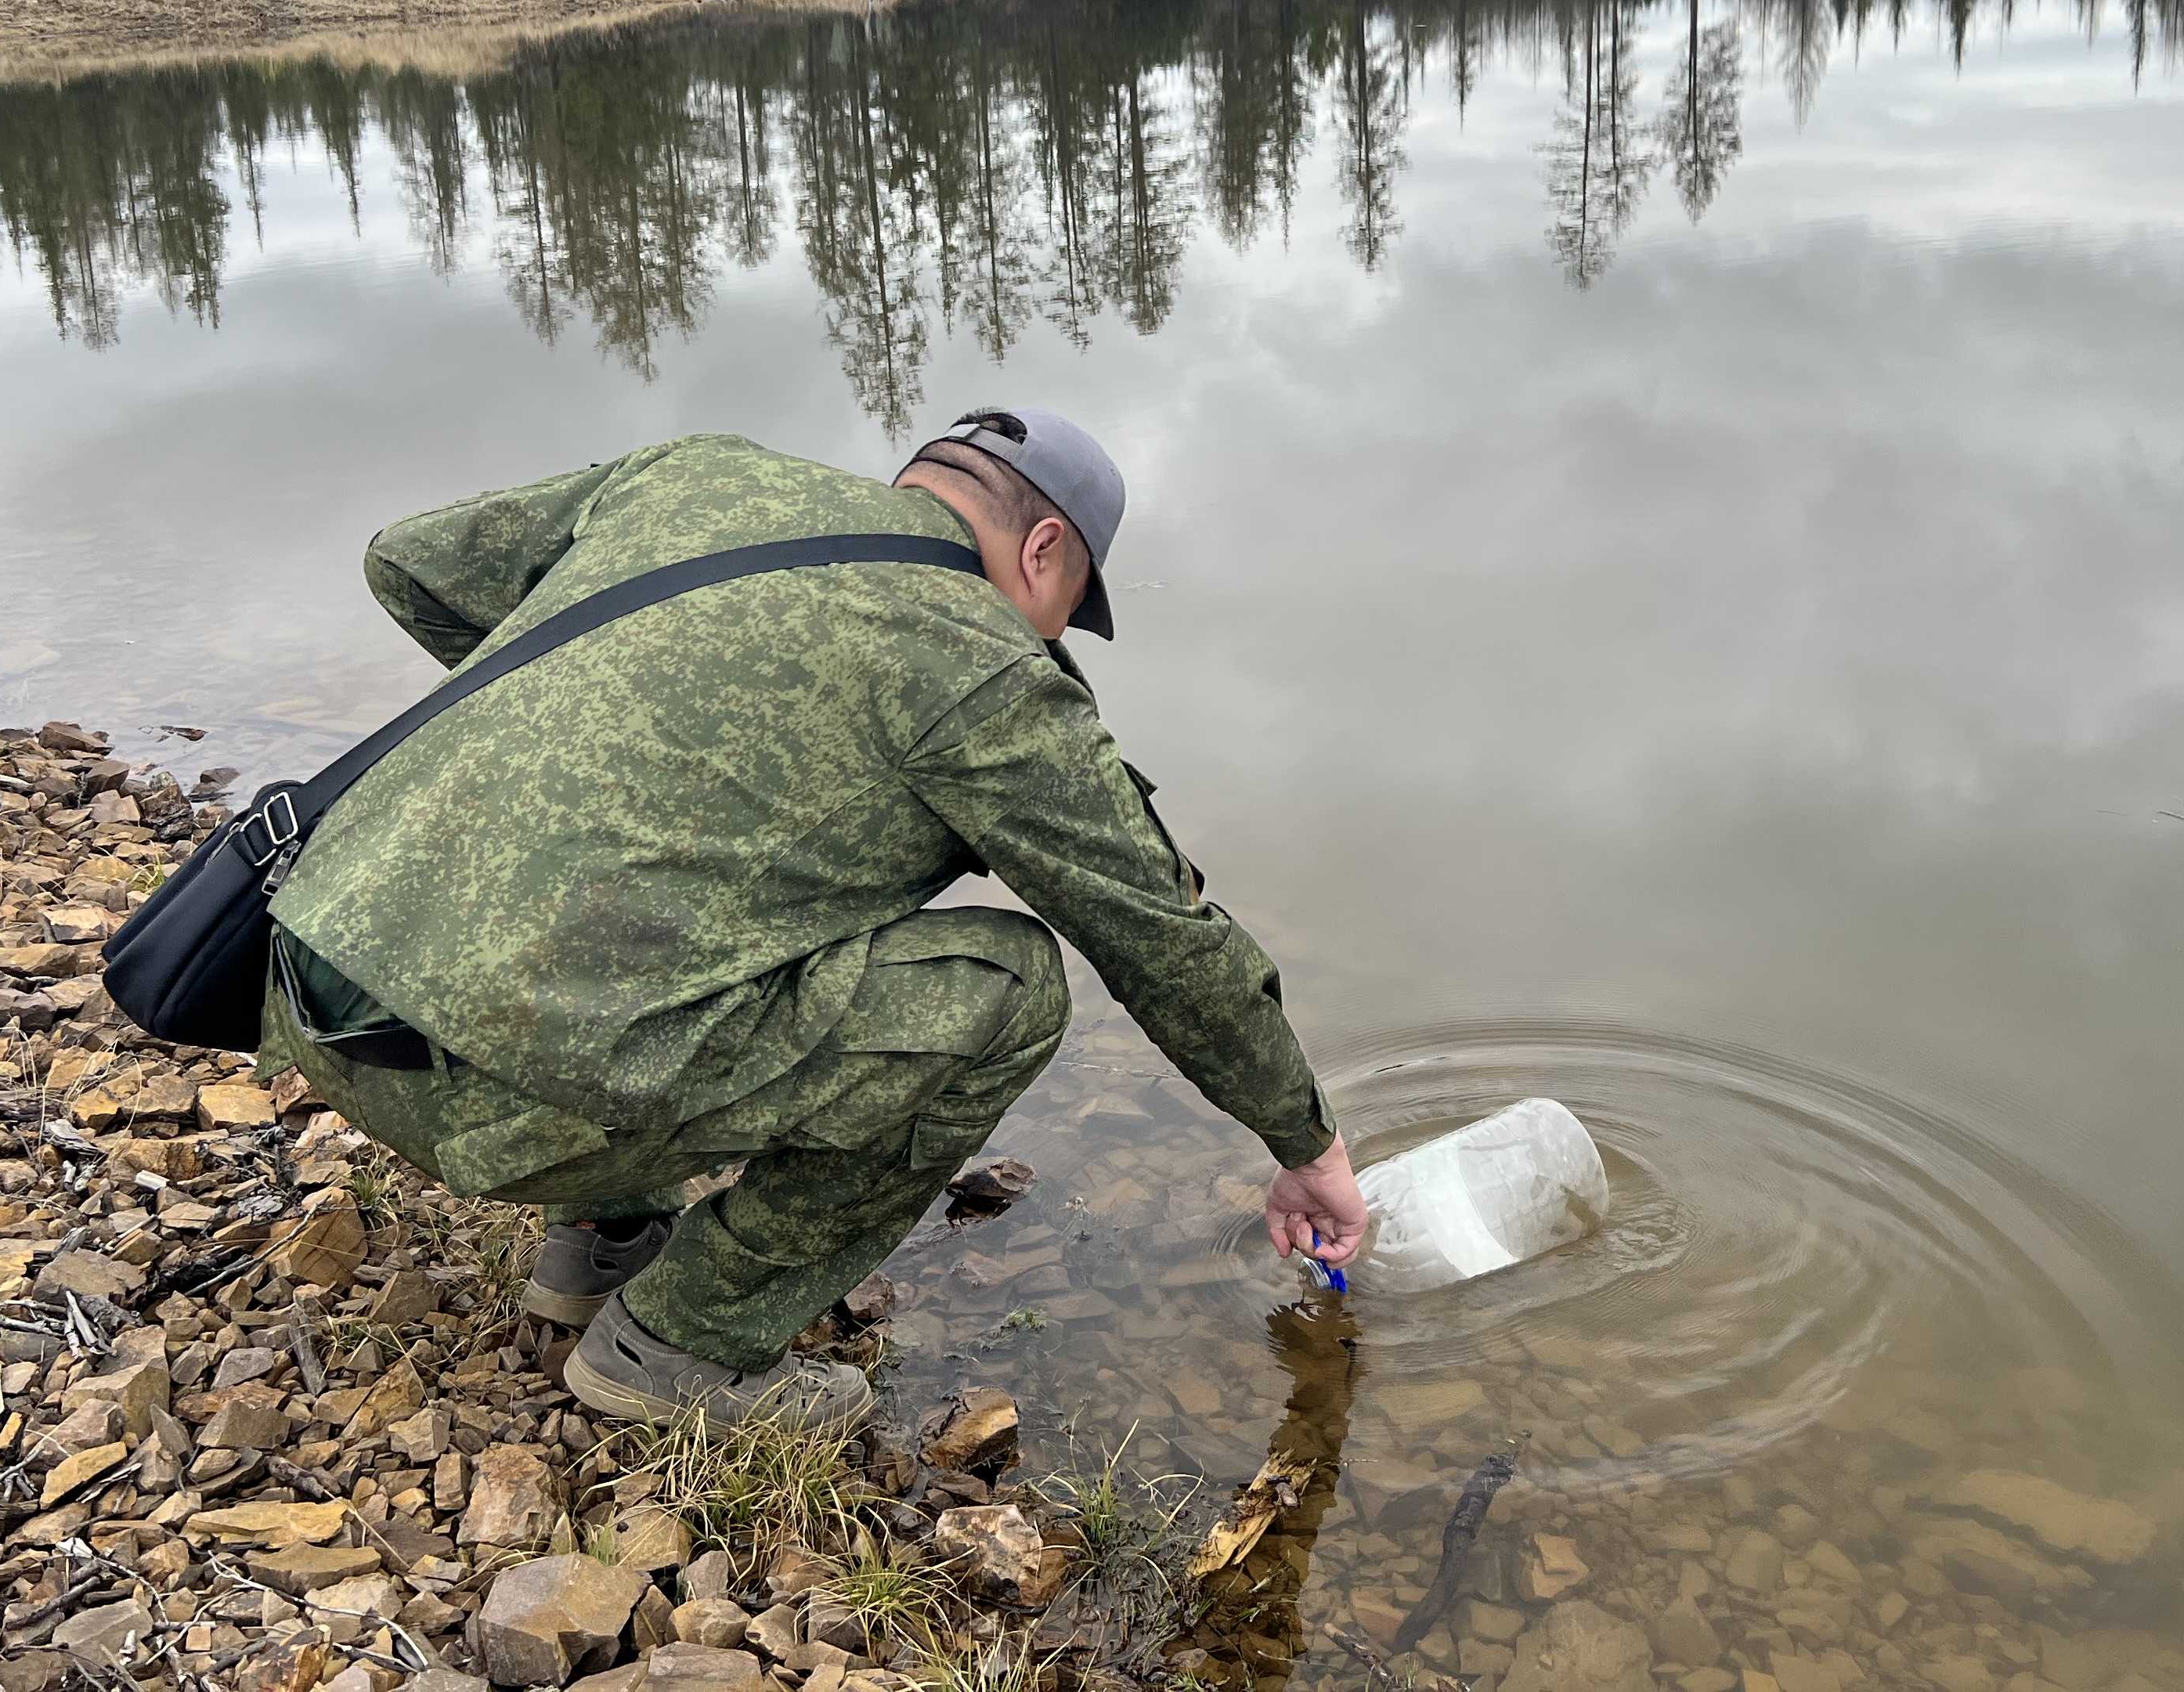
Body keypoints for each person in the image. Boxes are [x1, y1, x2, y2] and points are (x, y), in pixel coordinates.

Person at [259, 409, 1368, 1427]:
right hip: (487, 1088)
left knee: (665, 918)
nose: (1054, 640)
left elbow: (407, 560)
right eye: (1066, 614)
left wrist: (604, 738)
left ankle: (605, 1238)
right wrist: (1303, 1142)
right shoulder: (983, 670)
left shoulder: (701, 478)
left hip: (317, 995)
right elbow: (1164, 939)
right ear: (1043, 557)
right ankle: (678, 1343)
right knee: (1012, 990)